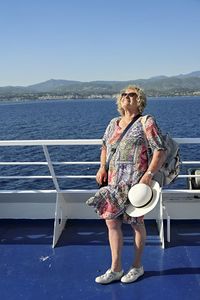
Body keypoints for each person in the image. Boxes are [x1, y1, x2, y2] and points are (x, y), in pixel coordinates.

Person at [86, 85, 166, 284]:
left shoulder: (146, 122)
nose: (127, 97)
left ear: (140, 100)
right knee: (112, 223)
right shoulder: (113, 123)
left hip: (136, 185)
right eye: (124, 94)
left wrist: (148, 175)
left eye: (132, 95)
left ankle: (137, 267)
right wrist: (102, 167)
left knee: (137, 225)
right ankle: (116, 268)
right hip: (113, 183)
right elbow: (105, 146)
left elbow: (160, 150)